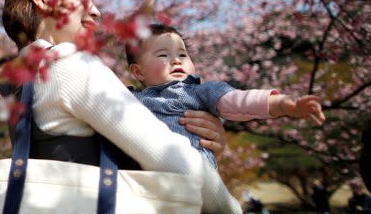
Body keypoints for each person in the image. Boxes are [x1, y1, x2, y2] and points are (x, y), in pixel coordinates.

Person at [1, 0, 241, 214]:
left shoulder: (19, 82)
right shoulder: (69, 63)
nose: (96, 12)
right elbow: (168, 157)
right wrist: (230, 210)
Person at [125, 23, 325, 167]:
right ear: (138, 72)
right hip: (149, 171)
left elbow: (239, 101)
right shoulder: (129, 99)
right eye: (163, 55)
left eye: (182, 54)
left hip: (193, 167)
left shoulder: (198, 92)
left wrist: (284, 105)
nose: (176, 61)